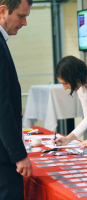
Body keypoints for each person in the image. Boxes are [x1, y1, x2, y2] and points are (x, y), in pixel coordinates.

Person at [0, 0, 33, 199]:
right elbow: (2, 106)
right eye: (21, 16)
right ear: (2, 11)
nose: (24, 23)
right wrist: (19, 156)